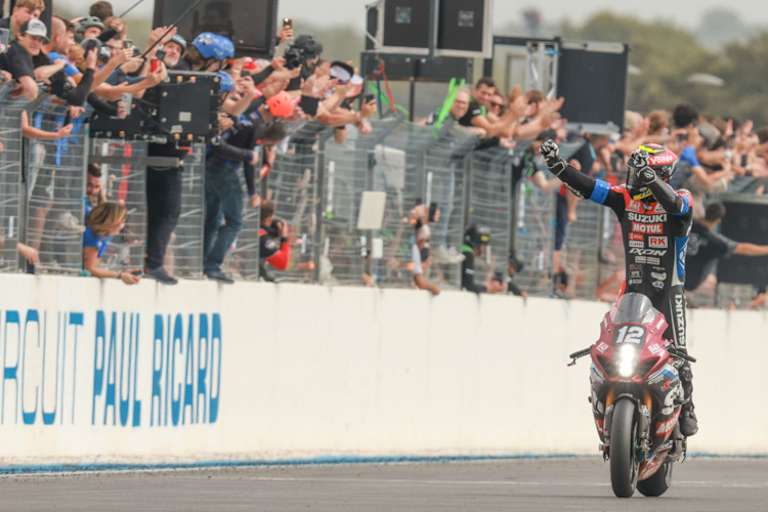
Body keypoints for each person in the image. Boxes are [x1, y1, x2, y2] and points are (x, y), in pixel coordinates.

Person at [541, 139, 698, 437]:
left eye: (639, 173)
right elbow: (591, 188)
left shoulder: (683, 198)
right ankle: (608, 399)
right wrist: (558, 167)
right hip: (633, 292)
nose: (632, 178)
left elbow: (676, 206)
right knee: (612, 345)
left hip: (669, 293)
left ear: (657, 175)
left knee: (678, 353)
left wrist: (651, 181)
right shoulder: (624, 197)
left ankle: (687, 408)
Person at [685, 203, 768, 292]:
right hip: (687, 281)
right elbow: (744, 249)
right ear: (718, 220)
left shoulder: (685, 223)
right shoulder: (717, 243)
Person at [83, 202, 140, 285]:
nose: (123, 226)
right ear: (111, 221)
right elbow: (91, 269)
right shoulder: (92, 236)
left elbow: (97, 266)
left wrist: (124, 272)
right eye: (122, 221)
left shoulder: (104, 236)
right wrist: (120, 275)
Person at [461, 224, 492, 294]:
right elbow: (469, 285)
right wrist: (486, 288)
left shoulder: (463, 249)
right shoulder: (468, 254)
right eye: (483, 245)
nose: (483, 250)